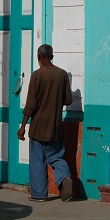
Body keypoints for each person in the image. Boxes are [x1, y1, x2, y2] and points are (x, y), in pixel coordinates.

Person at [17, 44, 74, 202]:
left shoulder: (37, 75)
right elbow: (68, 100)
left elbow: (31, 105)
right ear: (52, 57)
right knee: (56, 156)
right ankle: (64, 178)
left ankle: (39, 194)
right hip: (55, 127)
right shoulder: (62, 74)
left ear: (39, 57)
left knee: (37, 160)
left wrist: (22, 127)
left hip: (38, 127)